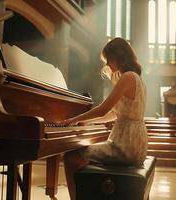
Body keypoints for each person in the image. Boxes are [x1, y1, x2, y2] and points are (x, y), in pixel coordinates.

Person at [61, 37, 147, 200]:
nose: (107, 64)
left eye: (108, 59)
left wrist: (73, 119)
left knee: (71, 157)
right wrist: (85, 120)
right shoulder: (137, 78)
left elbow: (102, 109)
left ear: (118, 56)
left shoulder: (127, 77)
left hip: (125, 147)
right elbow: (113, 114)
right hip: (136, 145)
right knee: (82, 154)